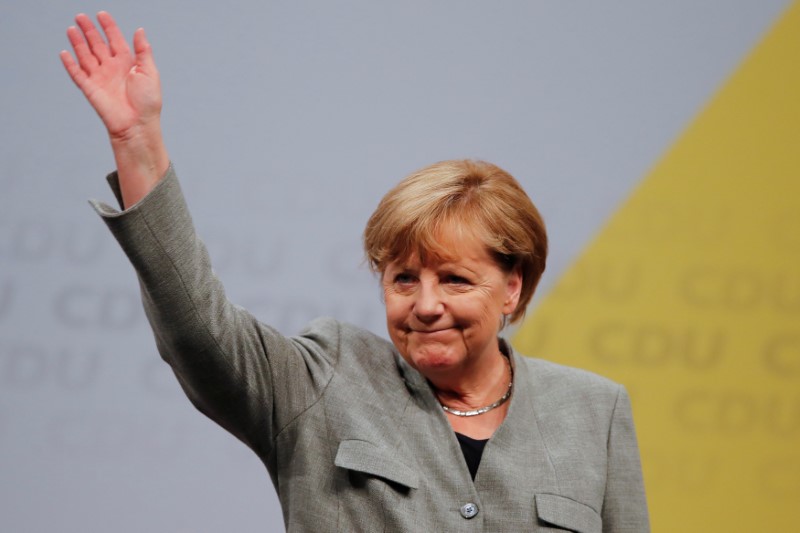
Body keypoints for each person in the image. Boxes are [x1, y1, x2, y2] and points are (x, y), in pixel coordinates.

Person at [61, 12, 649, 532]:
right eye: (402, 279)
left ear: (512, 286)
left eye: (455, 280)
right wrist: (138, 142)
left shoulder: (594, 412)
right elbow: (198, 331)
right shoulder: (326, 380)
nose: (424, 304)